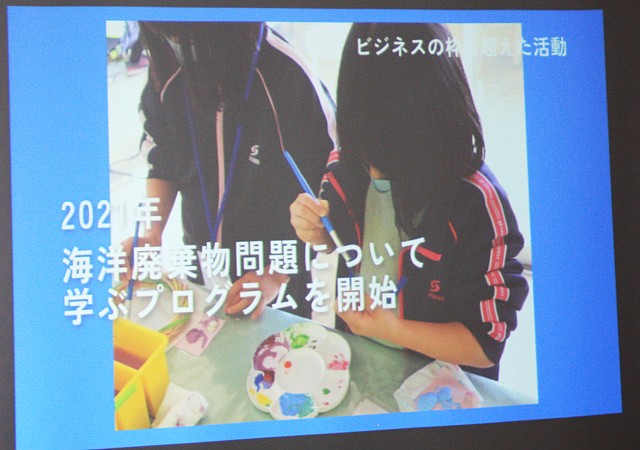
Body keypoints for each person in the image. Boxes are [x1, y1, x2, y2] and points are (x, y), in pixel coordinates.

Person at [289, 23, 528, 379]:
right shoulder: (347, 164)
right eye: (363, 135)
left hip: (440, 385)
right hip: (359, 363)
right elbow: (341, 236)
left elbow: (484, 346)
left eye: (388, 148)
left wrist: (394, 330)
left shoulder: (476, 202)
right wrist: (317, 231)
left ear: (436, 121)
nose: (374, 172)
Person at [123, 22, 337, 319]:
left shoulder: (286, 74)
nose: (177, 45)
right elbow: (163, 159)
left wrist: (275, 274)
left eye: (181, 35)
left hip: (275, 273)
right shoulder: (168, 69)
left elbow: (325, 192)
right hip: (201, 259)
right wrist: (152, 234)